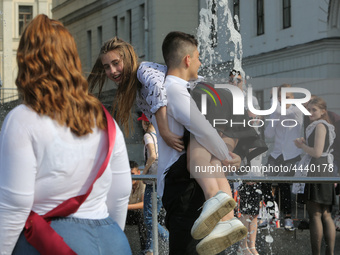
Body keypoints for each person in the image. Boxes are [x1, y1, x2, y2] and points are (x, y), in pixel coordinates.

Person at [0, 14, 132, 255]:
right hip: (113, 241)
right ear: (72, 59)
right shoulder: (103, 117)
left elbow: (15, 205)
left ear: (26, 61)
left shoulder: (22, 119)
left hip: (52, 242)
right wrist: (109, 234)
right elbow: (122, 189)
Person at [159, 31, 247, 255]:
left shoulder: (184, 88)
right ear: (187, 59)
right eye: (198, 57)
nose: (200, 62)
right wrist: (228, 156)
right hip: (183, 185)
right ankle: (227, 218)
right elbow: (204, 130)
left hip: (185, 185)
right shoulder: (176, 89)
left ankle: (226, 216)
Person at [294, 96, 336, 255]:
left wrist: (301, 145)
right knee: (325, 214)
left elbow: (317, 153)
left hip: (317, 169)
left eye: (314, 110)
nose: (310, 112)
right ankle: (329, 252)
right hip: (324, 168)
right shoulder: (323, 125)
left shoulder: (319, 126)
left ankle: (318, 253)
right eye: (309, 109)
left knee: (316, 215)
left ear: (323, 111)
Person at [263, 83, 303, 230]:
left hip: (291, 155)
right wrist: (273, 115)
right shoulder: (276, 112)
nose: (283, 99)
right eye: (280, 96)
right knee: (264, 182)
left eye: (287, 96)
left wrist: (275, 104)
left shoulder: (296, 111)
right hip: (277, 154)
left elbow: (284, 111)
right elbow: (268, 135)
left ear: (292, 98)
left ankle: (288, 218)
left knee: (284, 184)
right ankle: (272, 215)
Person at [138, 114, 169, 255]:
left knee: (149, 219)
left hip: (152, 182)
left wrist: (144, 173)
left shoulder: (148, 136)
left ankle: (170, 239)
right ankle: (150, 250)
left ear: (146, 122)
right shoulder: (161, 136)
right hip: (162, 181)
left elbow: (152, 155)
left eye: (142, 122)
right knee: (154, 217)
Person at [126, 161, 147, 253]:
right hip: (128, 213)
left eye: (132, 174)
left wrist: (126, 207)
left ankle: (145, 250)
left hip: (139, 213)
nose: (130, 177)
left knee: (142, 217)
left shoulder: (143, 183)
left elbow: (144, 204)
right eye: (127, 174)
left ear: (139, 173)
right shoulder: (125, 184)